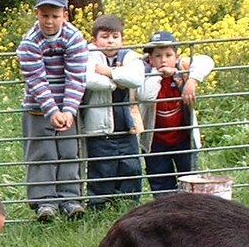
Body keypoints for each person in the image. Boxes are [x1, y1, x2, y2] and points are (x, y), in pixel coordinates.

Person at [17, 0, 88, 222]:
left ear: (64, 15)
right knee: (42, 152)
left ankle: (70, 198)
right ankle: (44, 201)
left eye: (55, 16)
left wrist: (68, 110)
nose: (49, 21)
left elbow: (76, 76)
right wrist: (51, 110)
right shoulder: (29, 42)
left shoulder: (74, 38)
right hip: (38, 107)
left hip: (69, 105)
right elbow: (36, 80)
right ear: (37, 13)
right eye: (45, 16)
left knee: (69, 152)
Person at [80, 14, 146, 207]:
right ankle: (98, 207)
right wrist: (116, 84)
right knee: (102, 168)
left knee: (131, 168)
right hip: (99, 128)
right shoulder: (87, 55)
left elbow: (135, 79)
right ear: (94, 40)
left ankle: (127, 205)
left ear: (122, 39)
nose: (110, 41)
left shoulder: (130, 57)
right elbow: (89, 79)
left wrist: (109, 73)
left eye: (115, 36)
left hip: (127, 126)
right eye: (105, 36)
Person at [139, 31, 215, 196]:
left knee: (188, 180)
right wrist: (157, 74)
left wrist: (192, 81)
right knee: (160, 183)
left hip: (183, 139)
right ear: (149, 59)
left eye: (168, 55)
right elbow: (146, 96)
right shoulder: (144, 72)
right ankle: (164, 213)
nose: (163, 60)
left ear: (177, 56)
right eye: (158, 56)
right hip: (155, 142)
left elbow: (206, 61)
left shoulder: (183, 68)